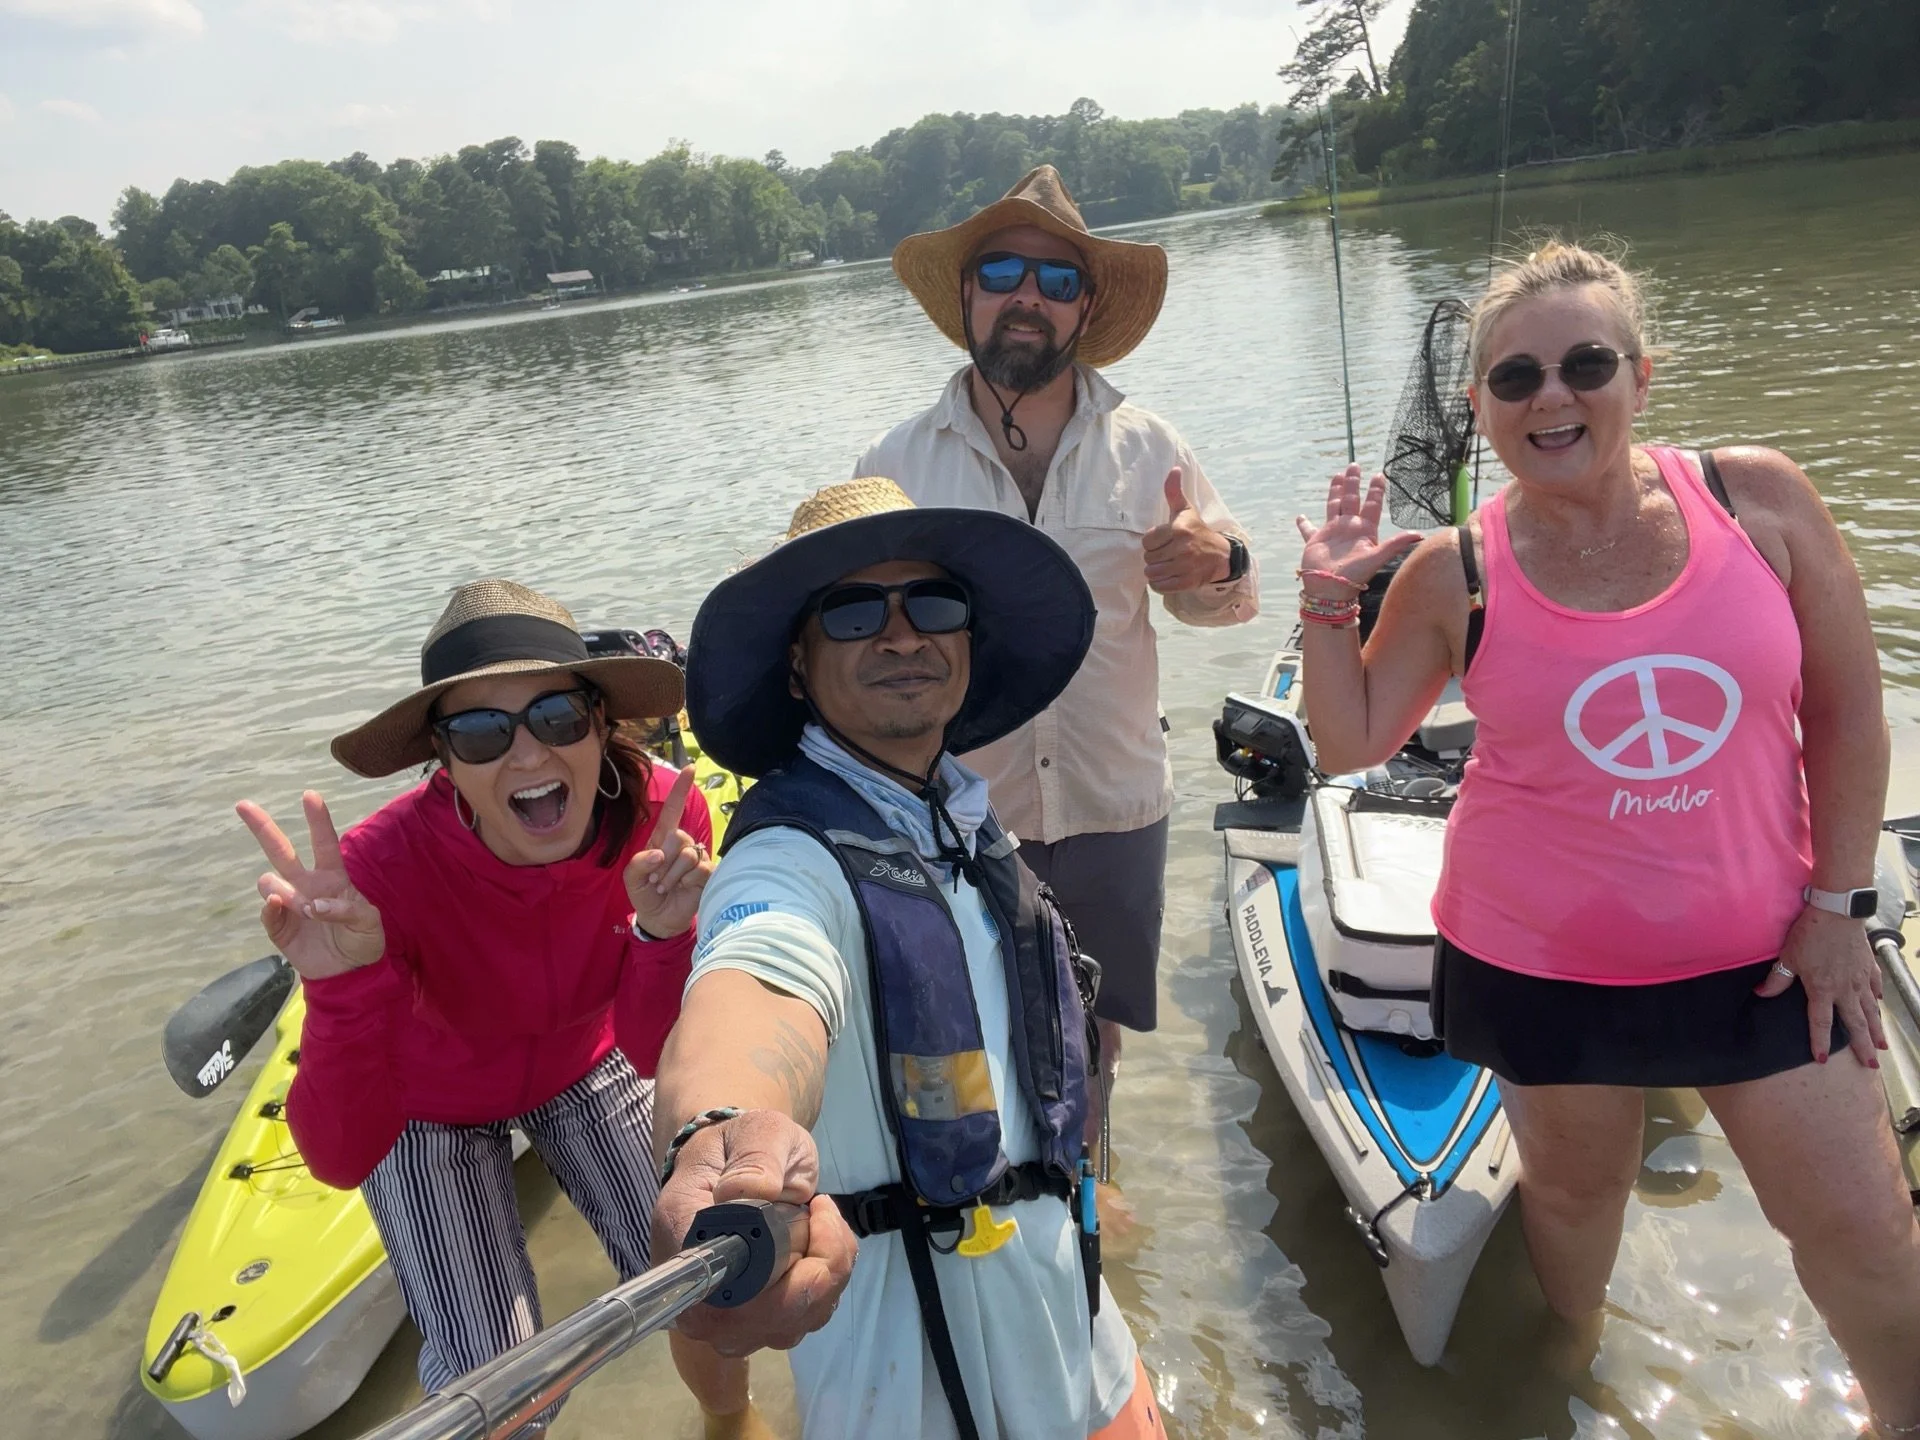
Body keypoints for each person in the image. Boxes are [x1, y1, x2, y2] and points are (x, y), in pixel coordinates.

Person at [1293, 241, 1920, 1433]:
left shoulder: (1757, 500)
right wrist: (1328, 597)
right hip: (1539, 962)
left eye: (1586, 363)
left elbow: (1849, 712)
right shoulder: (1455, 571)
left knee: (1866, 1232)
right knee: (1576, 1203)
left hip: (1774, 953)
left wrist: (1841, 907)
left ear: (1642, 375)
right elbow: (1352, 739)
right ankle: (1576, 1375)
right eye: (1515, 377)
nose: (1553, 396)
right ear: (1480, 405)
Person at [651, 478, 1168, 1440]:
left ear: (968, 639)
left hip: (1077, 1329)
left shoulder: (961, 820)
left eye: (933, 604)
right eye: (853, 613)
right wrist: (725, 1136)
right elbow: (758, 980)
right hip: (916, 1386)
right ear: (798, 666)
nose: (900, 637)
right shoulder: (788, 856)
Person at [234, 579, 768, 1439]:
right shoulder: (375, 871)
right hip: (427, 1103)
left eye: (556, 716)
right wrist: (338, 988)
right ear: (441, 760)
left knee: (705, 1274)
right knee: (502, 1393)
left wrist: (664, 936)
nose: (526, 756)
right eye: (482, 732)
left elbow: (647, 1052)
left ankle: (730, 1419)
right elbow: (339, 1156)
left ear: (600, 722)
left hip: (586, 1057)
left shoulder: (665, 820)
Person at [856, 164, 1260, 1128]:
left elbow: (1227, 605)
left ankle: (1089, 1176)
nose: (1027, 297)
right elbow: (852, 649)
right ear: (967, 294)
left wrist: (1219, 562)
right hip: (957, 810)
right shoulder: (893, 466)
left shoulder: (1151, 447)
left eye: (1058, 279)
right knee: (964, 1030)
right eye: (1002, 272)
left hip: (1116, 802)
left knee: (1098, 1035)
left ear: (1085, 309)